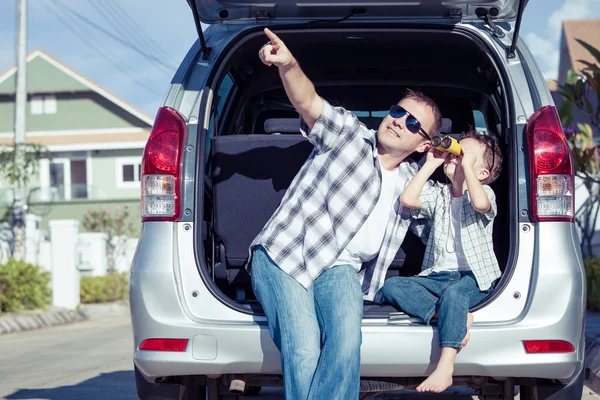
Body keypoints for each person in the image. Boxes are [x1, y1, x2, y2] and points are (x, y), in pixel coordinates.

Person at [248, 28, 442, 400]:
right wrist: (288, 65)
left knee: (346, 344)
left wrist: (437, 163)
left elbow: (457, 218)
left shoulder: (412, 185)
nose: (400, 120)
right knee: (304, 349)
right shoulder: (349, 135)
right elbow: (309, 102)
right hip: (284, 256)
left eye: (413, 123)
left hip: (342, 271)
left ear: (423, 144)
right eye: (398, 111)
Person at [381, 129, 503, 393]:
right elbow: (407, 199)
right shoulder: (439, 194)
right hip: (437, 276)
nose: (455, 157)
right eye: (456, 152)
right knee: (392, 287)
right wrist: (432, 163)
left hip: (473, 277)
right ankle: (455, 318)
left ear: (481, 172)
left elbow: (481, 204)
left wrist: (466, 166)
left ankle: (446, 365)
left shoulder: (485, 192)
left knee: (455, 295)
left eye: (464, 154)